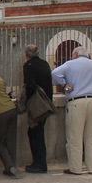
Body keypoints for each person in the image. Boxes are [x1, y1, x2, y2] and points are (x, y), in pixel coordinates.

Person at [51, 46, 92, 175]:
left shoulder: (70, 64)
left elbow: (55, 73)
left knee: (74, 137)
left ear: (75, 54)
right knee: (91, 136)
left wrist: (64, 84)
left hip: (76, 101)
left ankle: (75, 167)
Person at [22, 44, 53, 173]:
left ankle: (39, 164)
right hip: (47, 102)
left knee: (35, 132)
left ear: (26, 54)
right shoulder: (45, 64)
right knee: (38, 131)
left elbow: (30, 85)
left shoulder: (28, 66)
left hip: (36, 103)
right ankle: (40, 162)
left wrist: (26, 100)